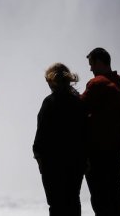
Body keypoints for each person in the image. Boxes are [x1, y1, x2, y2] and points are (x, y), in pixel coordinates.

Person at [80, 47, 120, 216]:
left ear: (99, 62)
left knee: (100, 198)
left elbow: (79, 108)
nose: (90, 69)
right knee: (115, 195)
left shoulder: (98, 83)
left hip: (96, 151)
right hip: (116, 149)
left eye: (91, 64)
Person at [33, 63, 86, 216]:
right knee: (73, 202)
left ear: (52, 81)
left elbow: (41, 135)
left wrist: (39, 158)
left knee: (56, 205)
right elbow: (84, 133)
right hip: (75, 162)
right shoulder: (78, 103)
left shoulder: (49, 102)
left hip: (52, 164)